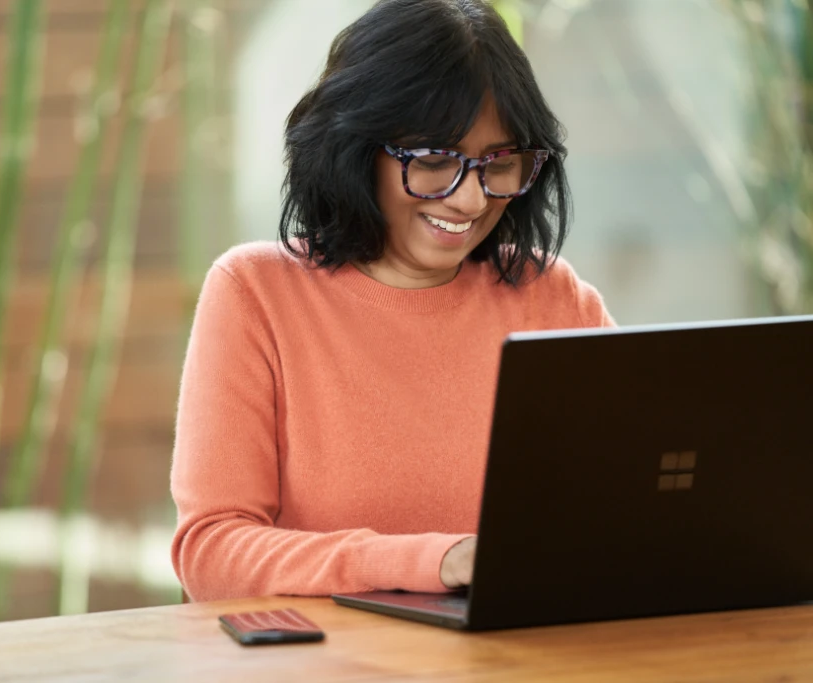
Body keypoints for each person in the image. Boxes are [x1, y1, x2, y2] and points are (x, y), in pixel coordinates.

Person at [170, 0, 615, 602]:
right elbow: (212, 550)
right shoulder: (255, 293)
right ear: (353, 149)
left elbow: (629, 501)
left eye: (500, 164)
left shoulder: (552, 297)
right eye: (434, 161)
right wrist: (435, 560)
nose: (470, 201)